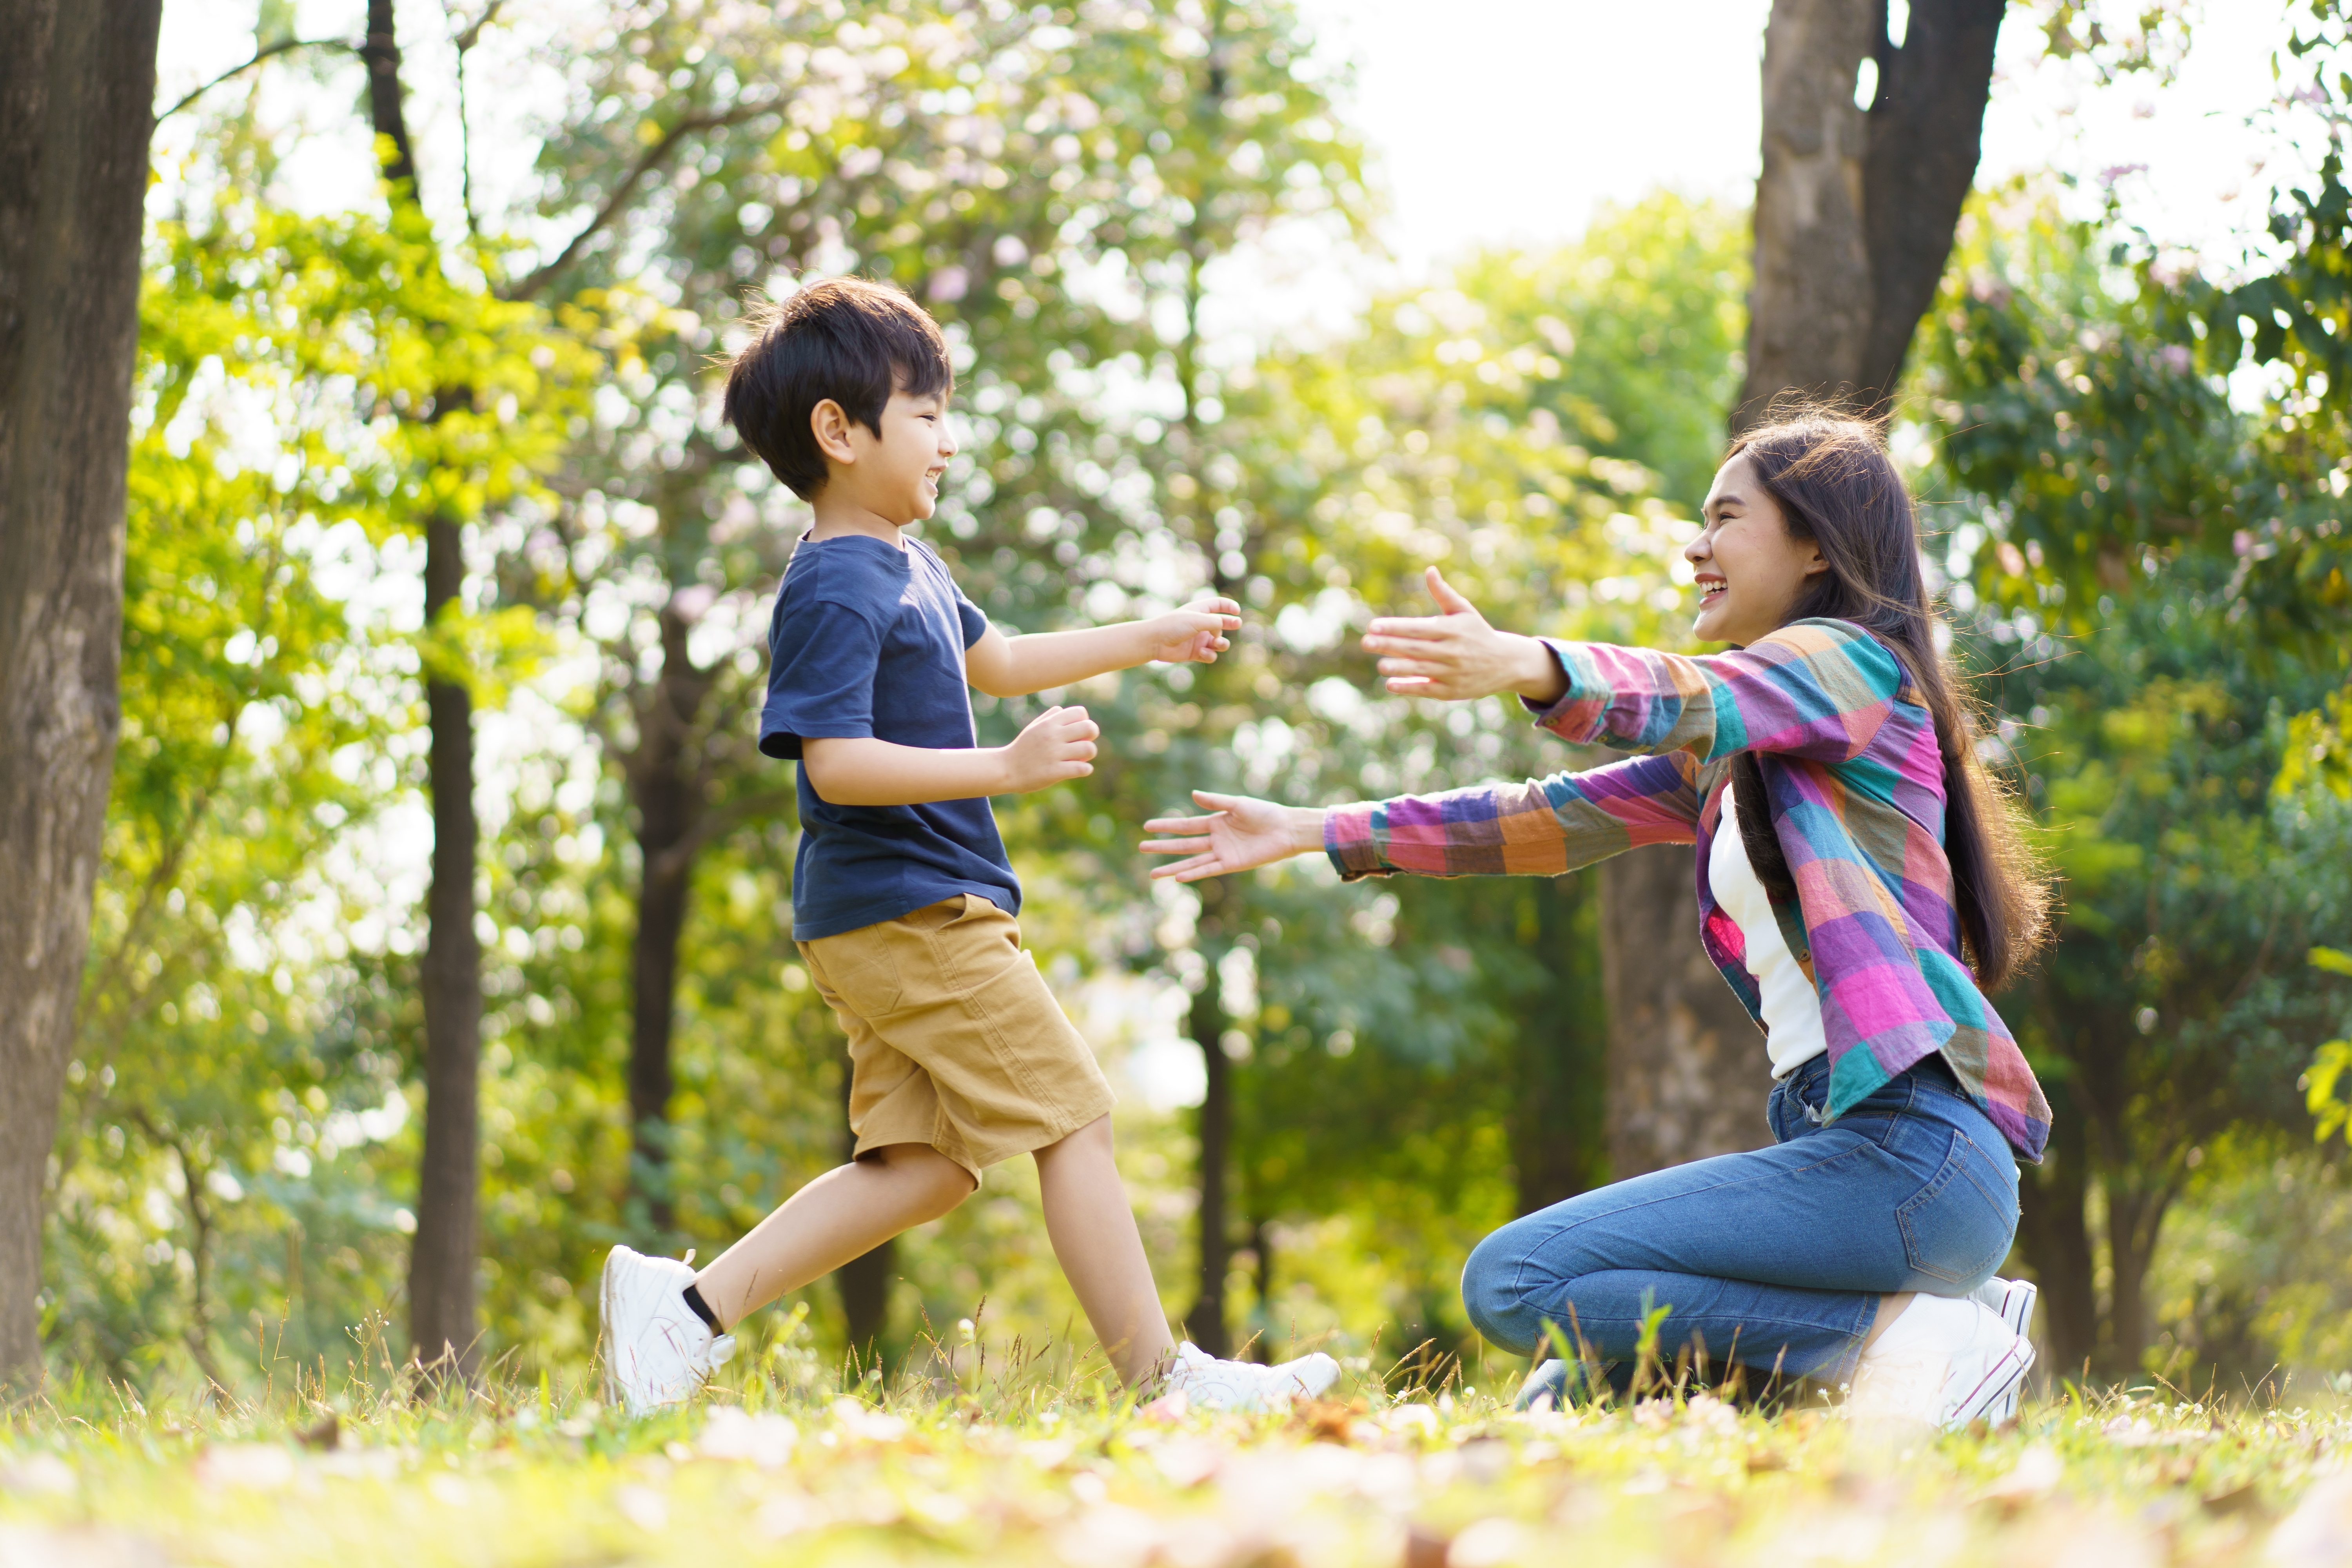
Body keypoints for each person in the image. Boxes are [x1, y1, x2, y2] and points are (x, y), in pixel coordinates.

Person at [1140, 413, 2051, 1429]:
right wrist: (1315, 829)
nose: (1695, 547)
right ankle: (1945, 1314)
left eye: (1725, 518)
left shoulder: (1858, 667)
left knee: (1515, 1282)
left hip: (1907, 1153)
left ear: (1814, 547)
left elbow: (1690, 693)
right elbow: (1548, 821)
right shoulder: (1741, 753)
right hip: (1844, 1150)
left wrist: (1530, 664)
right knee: (1577, 1364)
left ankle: (1910, 1340)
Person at [598, 277, 1338, 1416]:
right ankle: (1168, 1379)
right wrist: (1006, 768)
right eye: (927, 412)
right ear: (838, 433)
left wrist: (1151, 634)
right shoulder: (837, 582)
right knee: (1074, 1114)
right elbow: (833, 761)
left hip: (894, 912)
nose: (949, 438)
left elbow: (999, 661)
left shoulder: (909, 566)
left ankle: (684, 1315)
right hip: (910, 908)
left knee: (925, 1169)